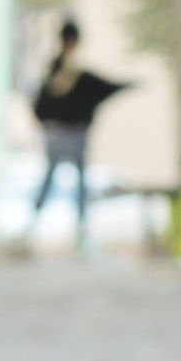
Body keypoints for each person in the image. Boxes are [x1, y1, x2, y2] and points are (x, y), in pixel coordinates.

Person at [29, 19, 128, 249]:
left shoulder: (58, 68)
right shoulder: (62, 68)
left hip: (60, 134)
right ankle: (72, 231)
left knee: (62, 181)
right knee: (72, 183)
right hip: (70, 133)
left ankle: (52, 228)